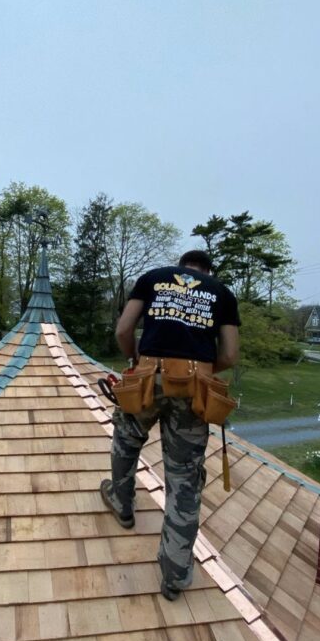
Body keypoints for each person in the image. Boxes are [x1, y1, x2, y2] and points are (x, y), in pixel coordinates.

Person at [100, 249, 240, 601]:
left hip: (148, 375)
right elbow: (229, 355)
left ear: (180, 266)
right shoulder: (221, 292)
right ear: (207, 271)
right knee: (184, 477)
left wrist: (135, 360)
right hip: (194, 388)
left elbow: (123, 329)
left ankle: (122, 500)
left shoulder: (152, 278)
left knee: (127, 437)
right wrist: (200, 371)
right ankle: (175, 573)